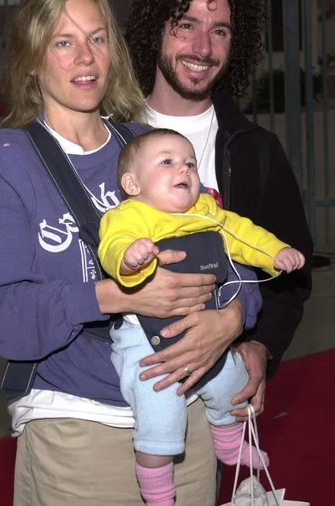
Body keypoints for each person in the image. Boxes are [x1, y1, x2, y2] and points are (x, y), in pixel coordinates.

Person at [0, 0, 258, 506]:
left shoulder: (149, 147)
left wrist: (231, 319)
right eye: (63, 42)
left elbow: (229, 248)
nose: (86, 57)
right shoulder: (5, 161)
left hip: (185, 417)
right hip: (79, 427)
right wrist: (118, 295)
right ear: (32, 59)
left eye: (97, 39)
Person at [125, 0, 313, 437]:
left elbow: (292, 271)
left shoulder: (256, 150)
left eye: (221, 31)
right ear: (156, 31)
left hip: (213, 399)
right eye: (186, 25)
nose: (202, 47)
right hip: (113, 394)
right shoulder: (109, 139)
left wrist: (260, 344)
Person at [98, 128, 304, 506]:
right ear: (132, 183)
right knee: (160, 414)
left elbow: (242, 234)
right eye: (168, 162)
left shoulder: (206, 212)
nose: (185, 169)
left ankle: (229, 445)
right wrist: (130, 256)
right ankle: (158, 492)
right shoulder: (129, 217)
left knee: (231, 379)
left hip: (205, 320)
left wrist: (275, 252)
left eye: (190, 163)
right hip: (145, 339)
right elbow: (111, 247)